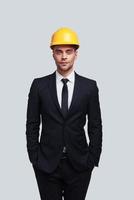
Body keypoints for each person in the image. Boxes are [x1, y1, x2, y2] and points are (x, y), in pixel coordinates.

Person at [25, 27, 103, 200]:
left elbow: (95, 126)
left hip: (80, 164)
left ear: (76, 54)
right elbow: (32, 124)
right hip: (46, 163)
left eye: (69, 51)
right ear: (52, 53)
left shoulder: (89, 87)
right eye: (58, 51)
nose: (64, 56)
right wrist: (34, 158)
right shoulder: (39, 86)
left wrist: (92, 159)